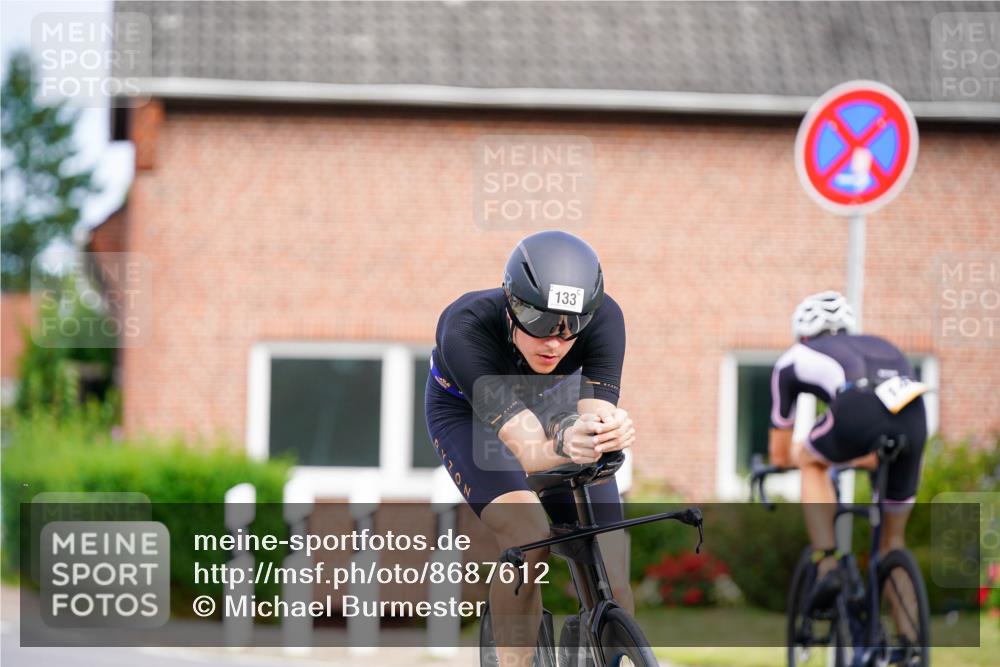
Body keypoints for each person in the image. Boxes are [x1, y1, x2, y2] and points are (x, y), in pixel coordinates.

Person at [425, 230, 635, 667]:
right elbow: (532, 452)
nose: (555, 341)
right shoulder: (465, 327)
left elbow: (593, 414)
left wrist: (606, 431)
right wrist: (569, 441)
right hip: (469, 415)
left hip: (554, 404)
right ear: (511, 302)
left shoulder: (605, 318)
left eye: (571, 326)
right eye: (539, 323)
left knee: (613, 559)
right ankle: (514, 660)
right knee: (528, 536)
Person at [768, 291, 928, 612]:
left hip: (858, 407)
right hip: (914, 417)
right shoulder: (883, 344)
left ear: (803, 333)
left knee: (811, 461)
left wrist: (800, 457)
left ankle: (828, 564)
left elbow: (780, 455)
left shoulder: (794, 357)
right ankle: (910, 639)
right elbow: (881, 424)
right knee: (893, 543)